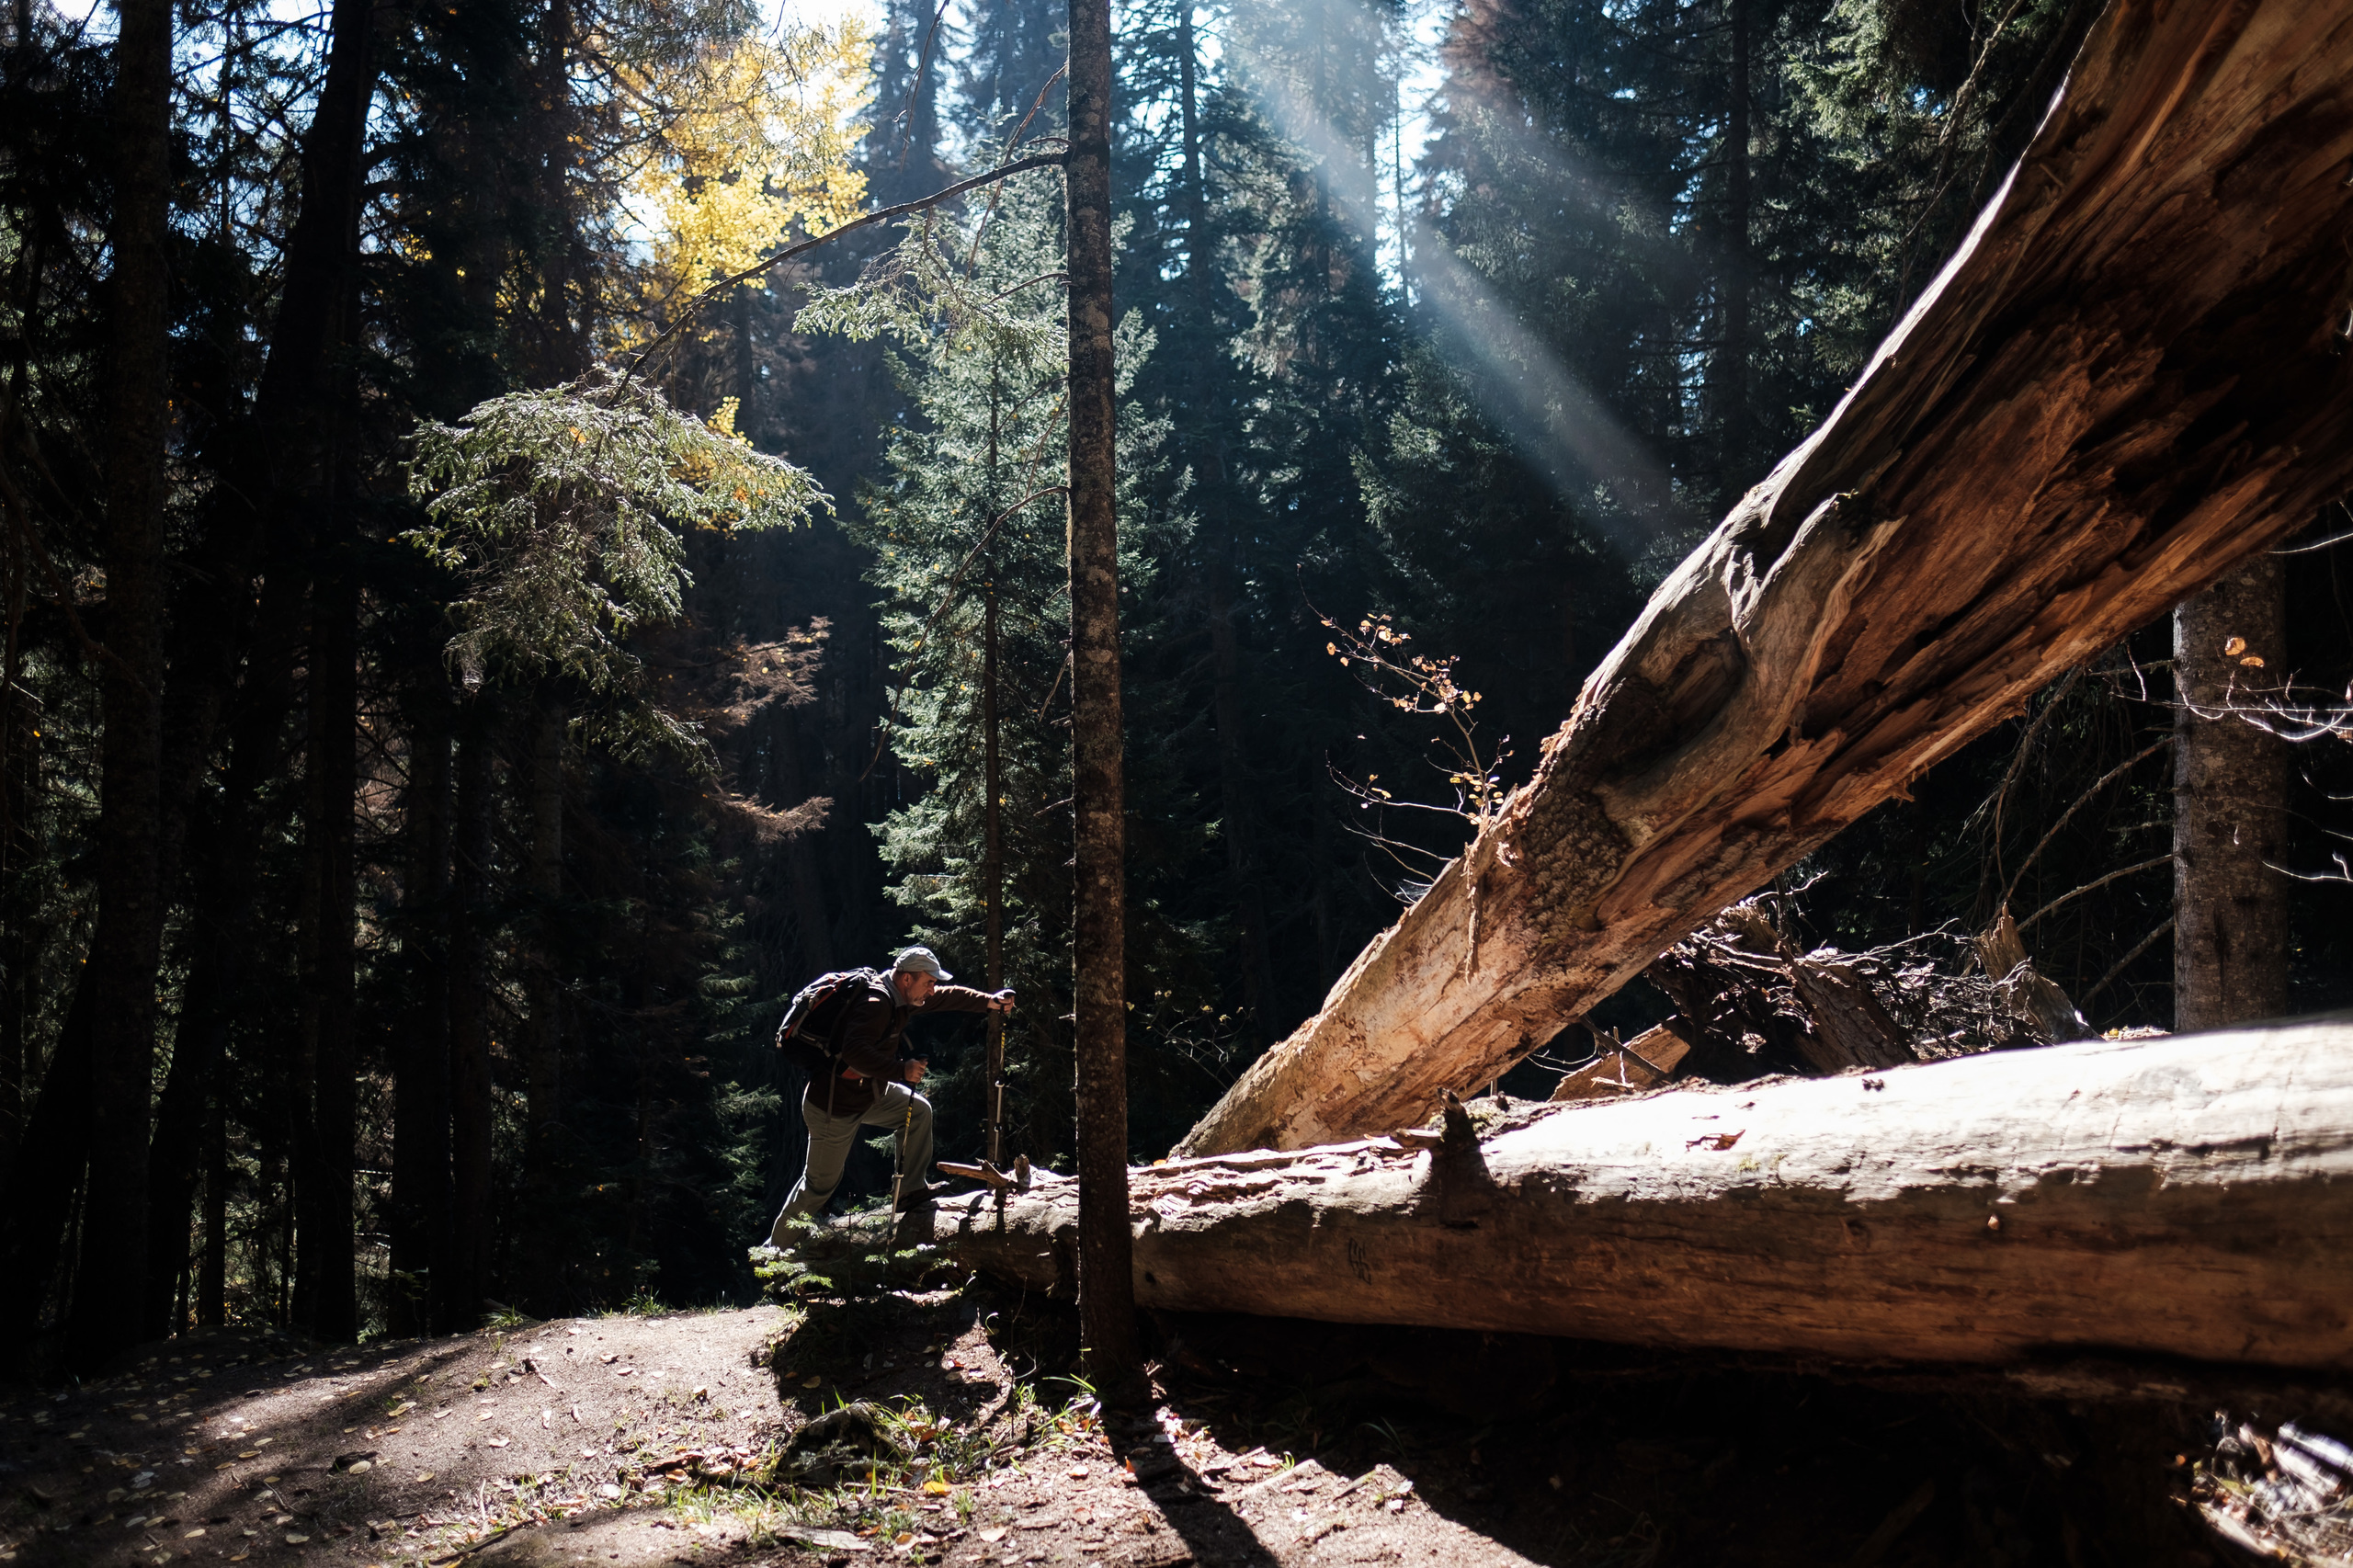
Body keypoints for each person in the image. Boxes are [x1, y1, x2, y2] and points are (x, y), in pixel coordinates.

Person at [766, 946, 1015, 1244]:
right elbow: (856, 1054)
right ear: (907, 979)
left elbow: (947, 997)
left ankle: (910, 1191)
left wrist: (989, 1001)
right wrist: (901, 1071)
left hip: (868, 1096)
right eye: (929, 982)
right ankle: (775, 1252)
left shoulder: (899, 998)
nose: (933, 990)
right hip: (834, 1108)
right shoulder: (876, 1003)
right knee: (818, 1187)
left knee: (918, 1112)